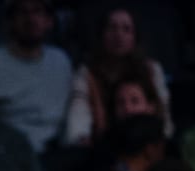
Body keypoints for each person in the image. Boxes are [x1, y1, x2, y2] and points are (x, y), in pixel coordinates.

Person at [0, 0, 73, 154]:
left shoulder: (61, 61)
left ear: (49, 21)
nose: (31, 19)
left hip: (57, 153)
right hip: (7, 154)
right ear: (9, 22)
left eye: (37, 11)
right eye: (23, 12)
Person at [64, 5, 170, 147]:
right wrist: (80, 139)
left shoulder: (151, 70)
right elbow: (78, 113)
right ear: (102, 35)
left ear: (134, 37)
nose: (119, 35)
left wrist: (163, 141)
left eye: (126, 29)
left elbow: (163, 111)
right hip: (105, 146)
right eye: (112, 28)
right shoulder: (87, 74)